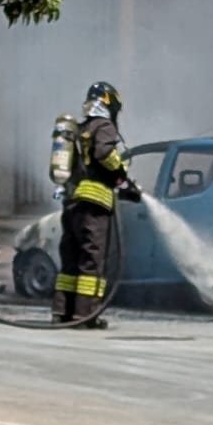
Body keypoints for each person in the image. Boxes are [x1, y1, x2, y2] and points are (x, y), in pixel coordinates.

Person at [53, 80, 140, 328]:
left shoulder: (78, 130)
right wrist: (121, 172)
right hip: (94, 204)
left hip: (72, 204)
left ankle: (61, 312)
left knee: (70, 260)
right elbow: (104, 154)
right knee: (92, 260)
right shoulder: (104, 126)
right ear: (109, 104)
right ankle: (85, 315)